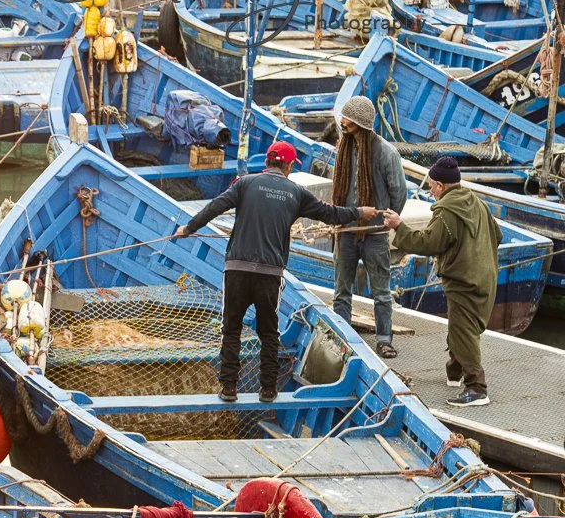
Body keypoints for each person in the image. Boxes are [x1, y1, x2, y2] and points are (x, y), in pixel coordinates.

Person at [176, 141, 377, 403]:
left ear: (267, 162)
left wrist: (188, 229)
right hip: (270, 274)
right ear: (289, 165)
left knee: (231, 329)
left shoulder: (244, 183)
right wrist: (360, 212)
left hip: (237, 269)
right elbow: (330, 214)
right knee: (269, 332)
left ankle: (228, 388)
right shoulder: (296, 192)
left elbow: (215, 207)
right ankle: (268, 390)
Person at [382, 157, 501, 407]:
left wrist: (399, 227)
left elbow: (427, 243)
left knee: (463, 330)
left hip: (463, 280)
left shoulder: (447, 211)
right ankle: (455, 370)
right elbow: (497, 236)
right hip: (486, 277)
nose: (430, 191)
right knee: (462, 326)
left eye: (431, 187)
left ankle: (477, 387)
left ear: (440, 186)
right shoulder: (477, 203)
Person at [331, 95, 408, 360]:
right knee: (341, 289)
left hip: (375, 234)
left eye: (348, 121)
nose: (343, 123)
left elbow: (399, 193)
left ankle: (384, 340)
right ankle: (340, 336)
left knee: (382, 292)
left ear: (361, 124)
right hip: (345, 231)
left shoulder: (386, 152)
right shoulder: (343, 147)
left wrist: (387, 220)